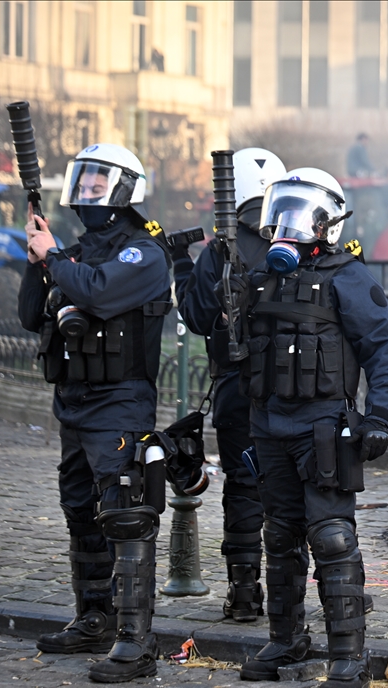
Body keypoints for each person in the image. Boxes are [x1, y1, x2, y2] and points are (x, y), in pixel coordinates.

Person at [236, 167, 388, 688]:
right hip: (269, 425)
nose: (286, 224)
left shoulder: (347, 276)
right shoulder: (259, 276)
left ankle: (348, 659)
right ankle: (287, 642)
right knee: (279, 536)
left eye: (299, 212)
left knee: (331, 537)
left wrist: (377, 418)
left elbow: (381, 351)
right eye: (280, 210)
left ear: (328, 221)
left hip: (323, 426)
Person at [18, 143, 173, 683]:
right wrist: (36, 260)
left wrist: (55, 258)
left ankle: (136, 643)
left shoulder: (142, 254)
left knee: (125, 516)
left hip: (120, 403)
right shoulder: (79, 250)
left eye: (96, 183)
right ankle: (94, 619)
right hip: (75, 402)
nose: (85, 193)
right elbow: (27, 314)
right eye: (82, 182)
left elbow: (99, 295)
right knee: (80, 511)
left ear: (124, 190)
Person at [172, 148, 287, 621]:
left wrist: (181, 263)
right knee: (288, 491)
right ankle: (289, 596)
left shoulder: (221, 248)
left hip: (237, 389)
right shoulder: (295, 242)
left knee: (243, 486)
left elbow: (197, 317)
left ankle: (244, 595)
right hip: (289, 388)